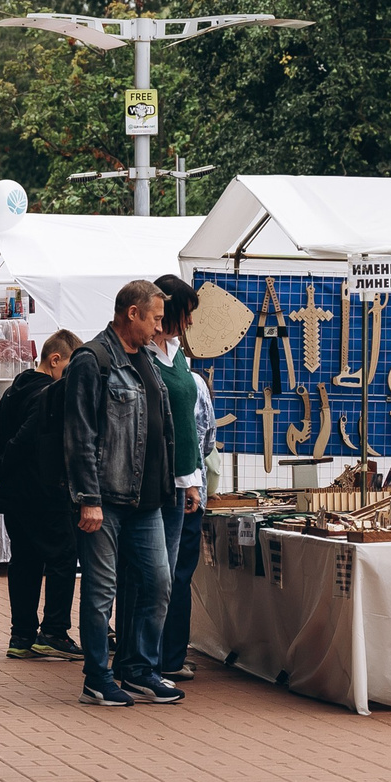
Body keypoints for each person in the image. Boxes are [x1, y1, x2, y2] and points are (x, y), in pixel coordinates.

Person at [62, 281, 181, 706]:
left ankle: (138, 668)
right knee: (100, 592)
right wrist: (88, 498)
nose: (160, 327)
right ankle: (97, 677)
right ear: (132, 314)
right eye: (155, 318)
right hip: (106, 500)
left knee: (157, 583)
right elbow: (79, 435)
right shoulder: (92, 360)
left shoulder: (146, 359)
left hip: (146, 501)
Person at [0, 329, 82, 660]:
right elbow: (24, 440)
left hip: (16, 495)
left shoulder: (15, 390)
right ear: (55, 360)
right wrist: (0, 467)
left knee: (24, 561)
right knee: (62, 556)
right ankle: (54, 630)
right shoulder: (49, 394)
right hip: (44, 488)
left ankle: (22, 635)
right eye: (71, 367)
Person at [150, 273, 215, 683]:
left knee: (174, 573)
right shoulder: (145, 358)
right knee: (156, 573)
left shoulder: (179, 360)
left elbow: (198, 435)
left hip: (184, 485)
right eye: (186, 314)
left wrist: (191, 478)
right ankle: (149, 657)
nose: (188, 324)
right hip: (156, 486)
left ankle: (166, 657)